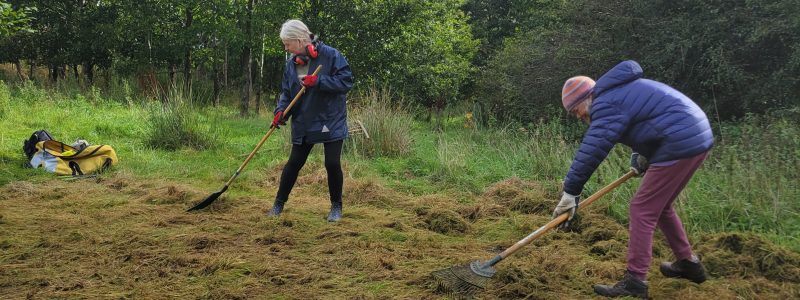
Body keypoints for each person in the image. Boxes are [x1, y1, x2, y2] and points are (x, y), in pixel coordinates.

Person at [551, 60, 714, 298]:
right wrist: (643, 154)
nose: (578, 116)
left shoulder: (605, 104)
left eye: (576, 110)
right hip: (694, 134)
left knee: (642, 209)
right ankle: (688, 264)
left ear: (586, 98)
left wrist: (571, 191)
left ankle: (635, 282)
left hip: (680, 141)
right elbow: (651, 119)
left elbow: (593, 148)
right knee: (661, 206)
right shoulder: (619, 93)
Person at [267, 19, 353, 222]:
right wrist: (281, 112)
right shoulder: (291, 65)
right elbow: (287, 94)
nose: (286, 49)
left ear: (298, 40)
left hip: (330, 118)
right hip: (304, 119)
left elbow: (346, 81)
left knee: (332, 163)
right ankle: (278, 205)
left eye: (288, 44)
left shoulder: (331, 55)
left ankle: (336, 208)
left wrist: (319, 81)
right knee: (294, 163)